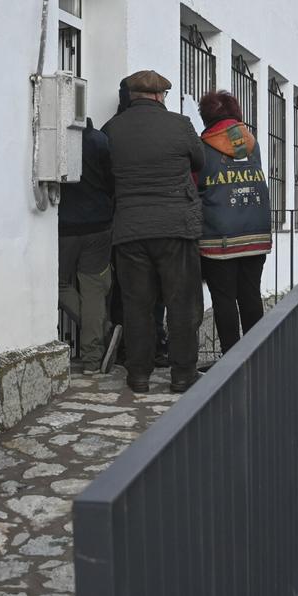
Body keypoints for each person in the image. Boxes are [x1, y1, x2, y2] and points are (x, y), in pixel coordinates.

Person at [103, 70, 206, 394]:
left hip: (130, 228)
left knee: (137, 305)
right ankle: (182, 374)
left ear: (132, 96)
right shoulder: (180, 125)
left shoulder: (112, 129)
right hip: (176, 226)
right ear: (161, 96)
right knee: (182, 303)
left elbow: (106, 176)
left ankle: (139, 376)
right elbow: (199, 160)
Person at [196, 91, 272, 354]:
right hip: (255, 234)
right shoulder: (252, 143)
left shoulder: (203, 146)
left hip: (219, 235)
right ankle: (256, 354)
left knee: (224, 299)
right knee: (251, 295)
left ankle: (231, 357)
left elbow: (195, 185)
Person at [58, 117, 115, 374]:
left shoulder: (56, 138)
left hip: (64, 228)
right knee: (93, 290)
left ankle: (104, 332)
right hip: (99, 226)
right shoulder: (99, 140)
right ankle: (93, 358)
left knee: (56, 284)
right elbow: (112, 181)